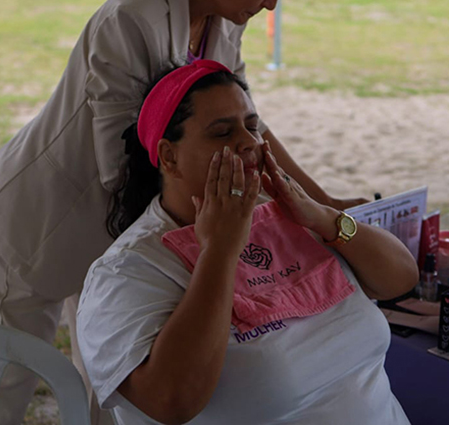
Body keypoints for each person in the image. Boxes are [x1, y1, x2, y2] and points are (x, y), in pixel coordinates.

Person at [0, 0, 356, 424]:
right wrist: (193, 233)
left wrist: (319, 201)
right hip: (47, 214)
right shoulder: (134, 16)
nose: (270, 5)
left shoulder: (224, 18)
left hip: (125, 224)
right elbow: (120, 155)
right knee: (2, 379)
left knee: (112, 391)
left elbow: (248, 125)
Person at [77, 60, 419, 424]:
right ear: (169, 156)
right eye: (222, 133)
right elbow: (171, 401)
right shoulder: (126, 271)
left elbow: (401, 278)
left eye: (252, 127)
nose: (248, 143)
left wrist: (323, 216)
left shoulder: (286, 215)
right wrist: (220, 251)